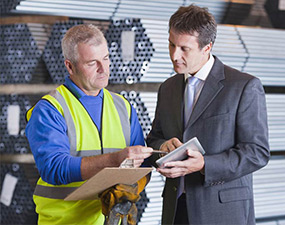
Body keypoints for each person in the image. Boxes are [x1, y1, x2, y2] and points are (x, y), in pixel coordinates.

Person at [146, 4, 270, 225]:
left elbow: (257, 152)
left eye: (184, 49)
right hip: (176, 210)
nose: (175, 55)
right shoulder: (168, 88)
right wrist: (162, 148)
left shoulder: (243, 86)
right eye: (171, 44)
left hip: (222, 212)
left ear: (207, 47)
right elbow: (154, 140)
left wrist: (205, 164)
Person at [25, 24, 153, 224]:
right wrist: (114, 160)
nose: (104, 69)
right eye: (92, 63)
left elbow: (141, 164)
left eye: (106, 58)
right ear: (70, 66)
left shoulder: (123, 107)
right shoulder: (50, 109)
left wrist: (133, 187)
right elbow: (55, 168)